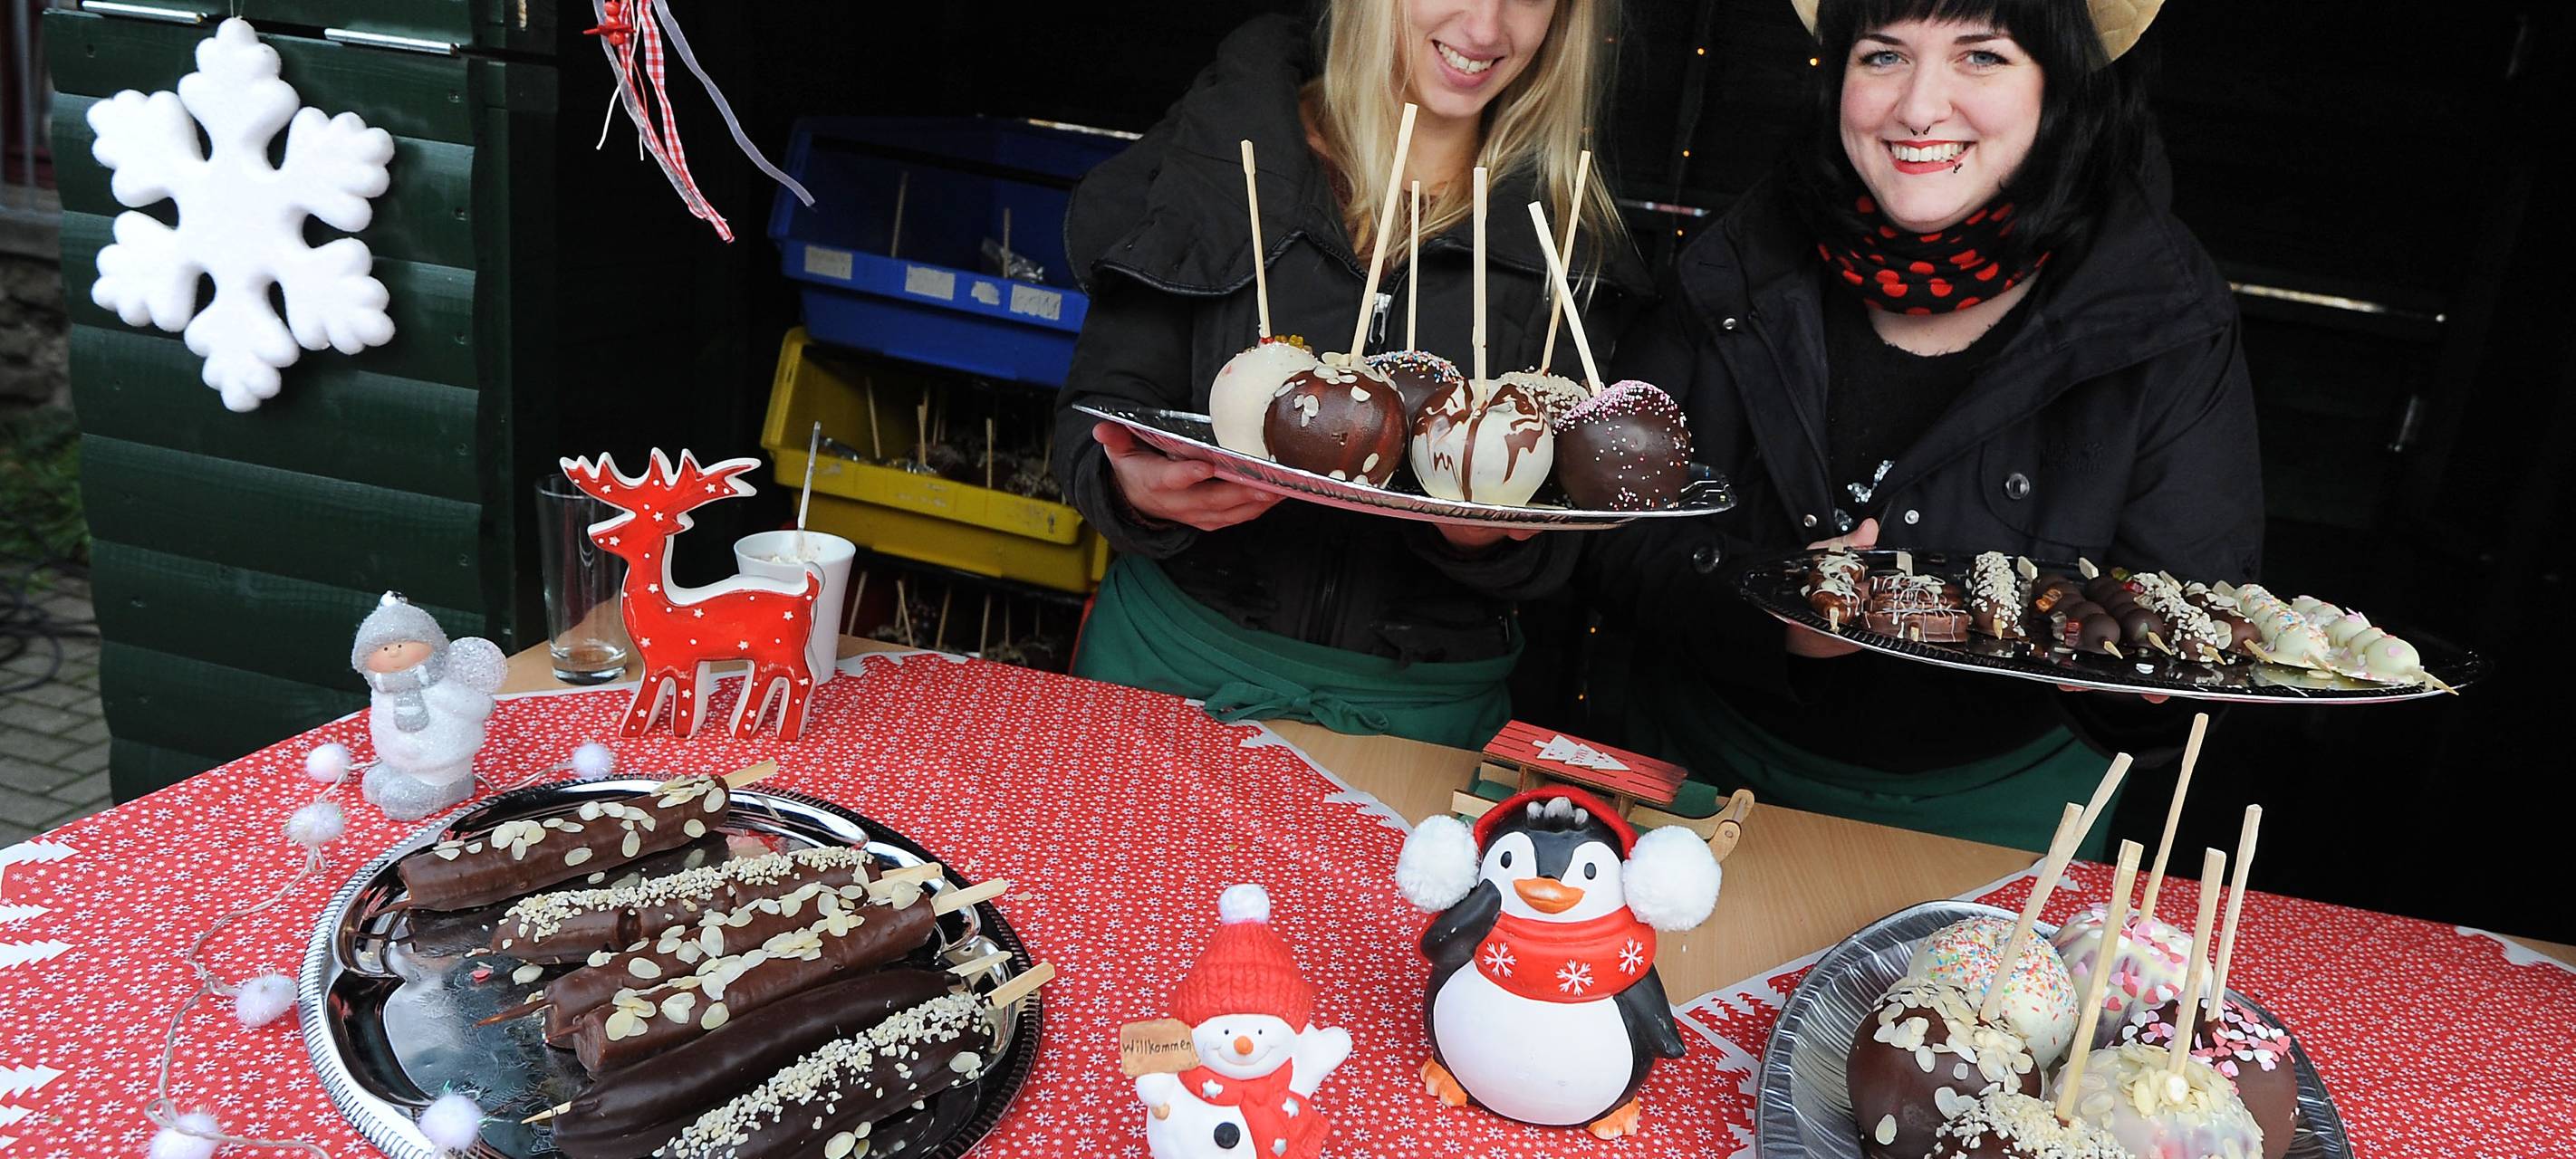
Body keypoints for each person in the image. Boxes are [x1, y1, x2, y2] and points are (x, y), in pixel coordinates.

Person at [1587, 0, 2257, 855]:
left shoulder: (2159, 309)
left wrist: (2149, 685)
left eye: (1980, 58)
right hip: (1700, 784)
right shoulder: (1744, 261)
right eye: (1883, 56)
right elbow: (1611, 537)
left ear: (2065, 83)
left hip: (2008, 823)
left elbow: (2199, 627)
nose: (1918, 107)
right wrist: (1771, 617)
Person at [1053, 1, 1649, 749]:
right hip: (1167, 670)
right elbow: (1093, 414)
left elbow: (1569, 541)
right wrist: (1130, 491)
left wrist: (1484, 539)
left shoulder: (1563, 226)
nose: (1487, 30)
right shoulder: (1229, 147)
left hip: (1421, 720)